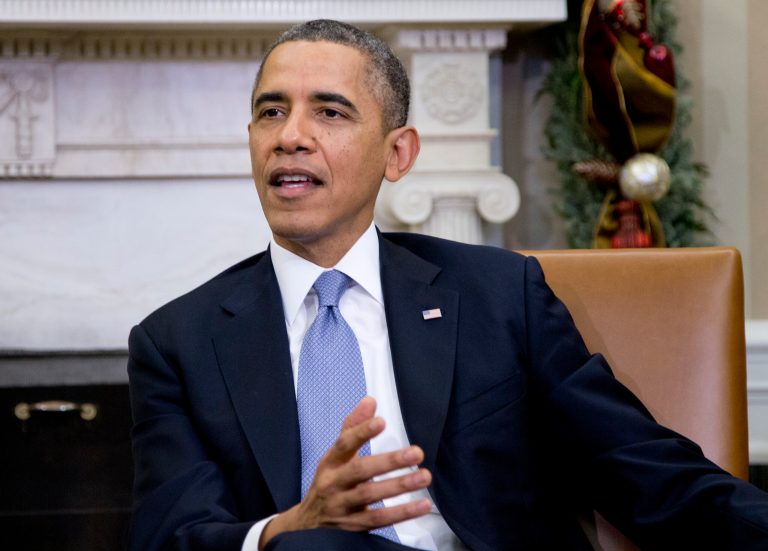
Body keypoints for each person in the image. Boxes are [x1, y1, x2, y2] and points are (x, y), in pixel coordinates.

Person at [127, 19, 768, 551]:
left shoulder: (499, 294)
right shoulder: (179, 343)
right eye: (271, 112)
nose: (290, 137)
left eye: (329, 111)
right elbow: (170, 535)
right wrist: (286, 529)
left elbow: (642, 469)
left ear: (398, 154)